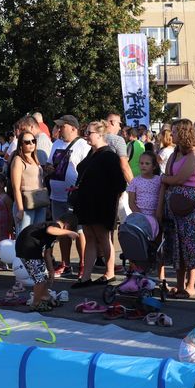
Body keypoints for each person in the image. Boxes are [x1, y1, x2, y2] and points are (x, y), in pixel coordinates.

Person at [72, 121, 128, 288]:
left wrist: (104, 195)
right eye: (86, 132)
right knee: (89, 237)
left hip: (101, 204)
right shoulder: (92, 153)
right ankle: (86, 277)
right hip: (87, 202)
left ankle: (109, 272)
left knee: (103, 237)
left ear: (99, 134)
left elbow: (120, 184)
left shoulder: (109, 155)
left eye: (89, 133)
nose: (86, 136)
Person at [160, 119, 195, 298]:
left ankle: (190, 286)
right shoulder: (174, 153)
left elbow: (178, 178)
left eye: (176, 131)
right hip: (173, 202)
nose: (172, 134)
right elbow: (169, 176)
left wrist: (165, 179)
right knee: (176, 244)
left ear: (184, 132)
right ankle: (179, 285)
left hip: (187, 204)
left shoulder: (194, 154)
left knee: (189, 243)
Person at [47, 115, 88, 276]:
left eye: (61, 126)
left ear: (72, 128)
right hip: (56, 195)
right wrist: (49, 168)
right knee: (61, 229)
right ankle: (66, 263)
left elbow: (86, 170)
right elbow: (49, 163)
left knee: (79, 231)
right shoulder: (56, 144)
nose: (58, 129)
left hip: (74, 197)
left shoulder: (83, 145)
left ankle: (83, 264)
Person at [15, 215, 82, 312]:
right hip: (28, 250)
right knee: (40, 280)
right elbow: (50, 230)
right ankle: (36, 304)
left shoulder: (51, 236)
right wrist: (69, 232)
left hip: (32, 250)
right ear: (66, 226)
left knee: (44, 277)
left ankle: (46, 297)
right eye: (64, 235)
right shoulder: (54, 226)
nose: (63, 237)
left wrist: (51, 271)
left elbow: (47, 254)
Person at [10, 128, 49, 234]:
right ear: (21, 145)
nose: (31, 144)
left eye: (33, 141)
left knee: (38, 235)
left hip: (39, 201)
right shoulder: (18, 160)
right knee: (25, 236)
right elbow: (16, 187)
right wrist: (20, 209)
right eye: (27, 142)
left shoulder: (35, 158)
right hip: (25, 203)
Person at [126, 150, 163, 239]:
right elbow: (131, 203)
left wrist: (158, 215)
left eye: (147, 163)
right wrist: (142, 218)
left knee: (156, 241)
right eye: (141, 163)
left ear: (154, 166)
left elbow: (162, 198)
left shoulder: (159, 180)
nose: (143, 165)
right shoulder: (135, 181)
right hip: (140, 219)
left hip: (156, 217)